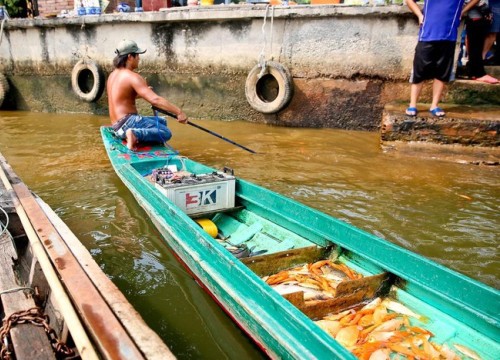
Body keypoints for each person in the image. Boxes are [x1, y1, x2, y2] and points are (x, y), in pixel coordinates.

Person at [107, 39, 188, 150]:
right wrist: (179, 112)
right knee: (166, 132)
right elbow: (155, 100)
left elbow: (121, 98)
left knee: (162, 121)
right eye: (137, 55)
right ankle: (134, 135)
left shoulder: (112, 75)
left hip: (117, 127)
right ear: (130, 57)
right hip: (128, 123)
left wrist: (140, 94)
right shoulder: (132, 76)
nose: (139, 58)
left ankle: (133, 134)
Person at [406, 0, 480, 118]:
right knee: (419, 71)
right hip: (427, 35)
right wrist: (419, 15)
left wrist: (462, 11)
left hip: (449, 36)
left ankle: (434, 105)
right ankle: (412, 104)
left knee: (442, 73)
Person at [464, 0, 499, 83]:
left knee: (476, 41)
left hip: (476, 10)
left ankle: (475, 72)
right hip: (475, 10)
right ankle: (478, 73)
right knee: (475, 41)